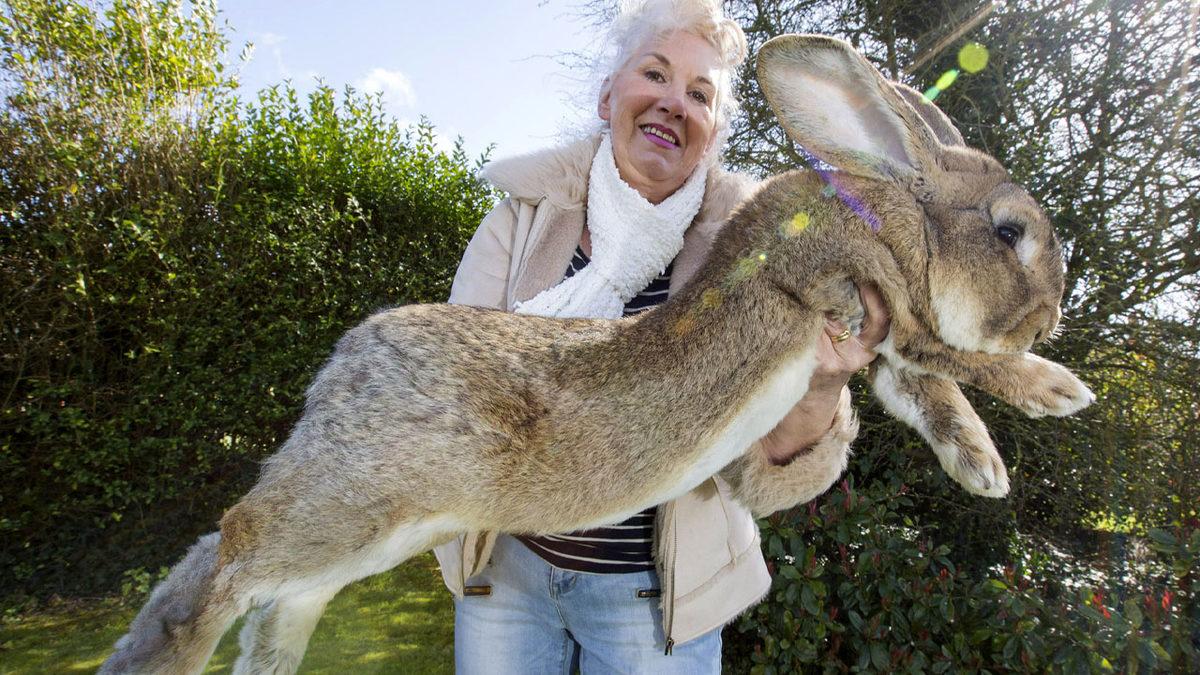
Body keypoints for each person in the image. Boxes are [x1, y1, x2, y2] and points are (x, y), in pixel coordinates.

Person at [433, 1, 889, 671]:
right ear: (607, 96)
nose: (675, 102)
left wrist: (823, 383)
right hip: (507, 577)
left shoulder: (757, 254)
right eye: (655, 74)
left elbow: (768, 463)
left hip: (652, 605)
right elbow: (451, 386)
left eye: (700, 95)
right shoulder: (520, 220)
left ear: (714, 132)